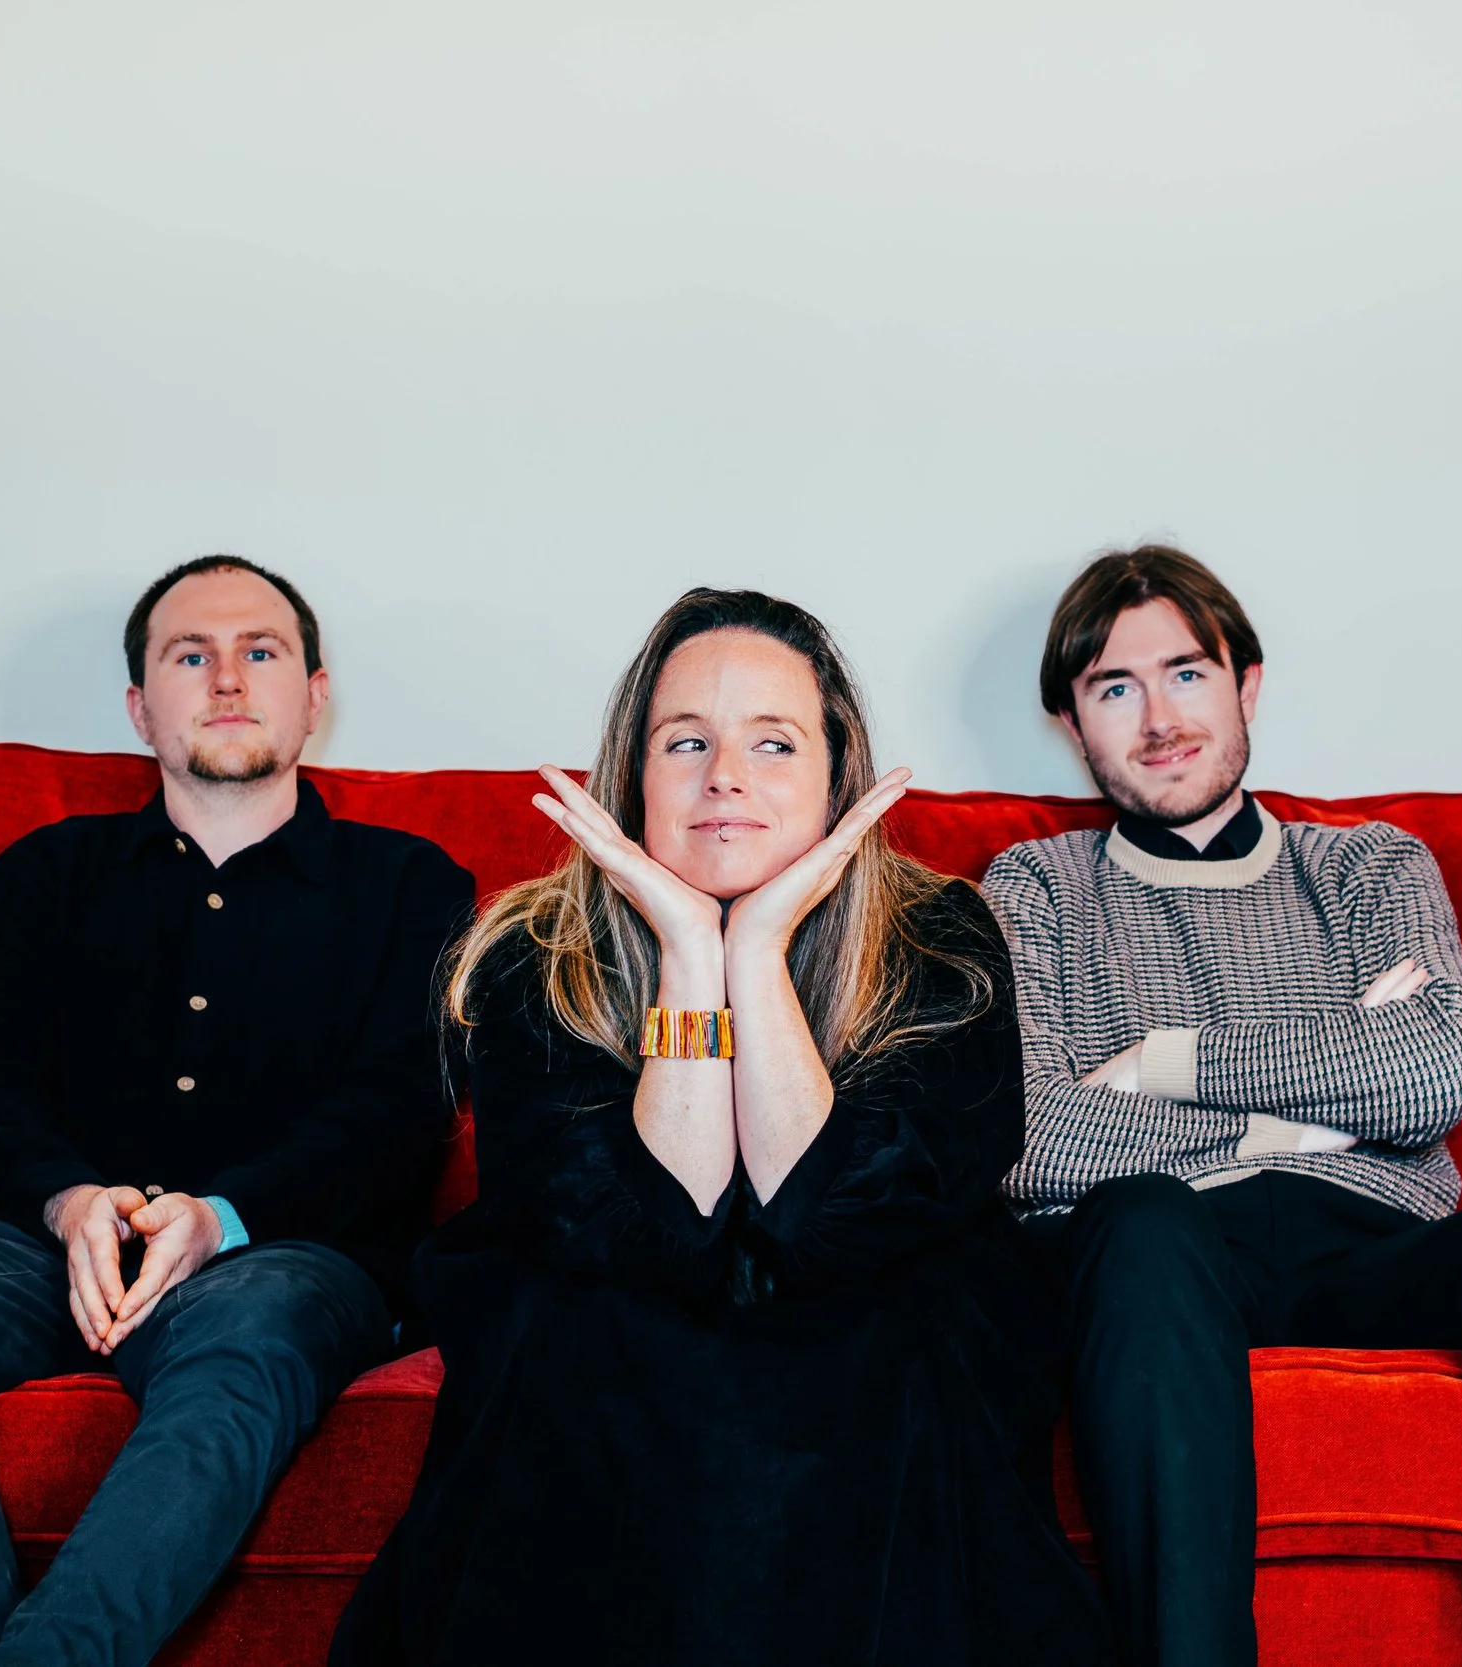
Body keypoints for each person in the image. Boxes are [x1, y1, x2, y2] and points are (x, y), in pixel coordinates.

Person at [334, 588, 1113, 1667]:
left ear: (837, 774)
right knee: (596, 1325)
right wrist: (692, 953)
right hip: (615, 1305)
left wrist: (759, 951)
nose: (725, 776)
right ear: (633, 774)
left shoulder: (942, 933)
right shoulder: (532, 947)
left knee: (892, 1323)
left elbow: (819, 1220)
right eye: (685, 740)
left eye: (773, 742)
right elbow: (667, 1230)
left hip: (881, 1304)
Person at [982, 545, 1462, 1667]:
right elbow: (1026, 1134)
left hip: (1372, 1244)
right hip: (1161, 1262)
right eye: (1115, 688)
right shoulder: (1035, 889)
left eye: (1186, 674)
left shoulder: (1368, 867)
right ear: (1071, 721)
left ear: (1246, 683)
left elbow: (1433, 1071)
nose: (1159, 718)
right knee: (1145, 1221)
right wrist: (1319, 1103)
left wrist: (1157, 1060)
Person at [0, 555, 477, 1667]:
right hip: (50, 1253)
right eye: (188, 654)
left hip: (281, 1259)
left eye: (260, 650)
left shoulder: (413, 885)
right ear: (138, 707)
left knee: (258, 1318)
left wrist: (221, 1214)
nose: (226, 677)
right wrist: (68, 1202)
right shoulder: (43, 875)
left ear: (313, 693)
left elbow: (398, 1111)